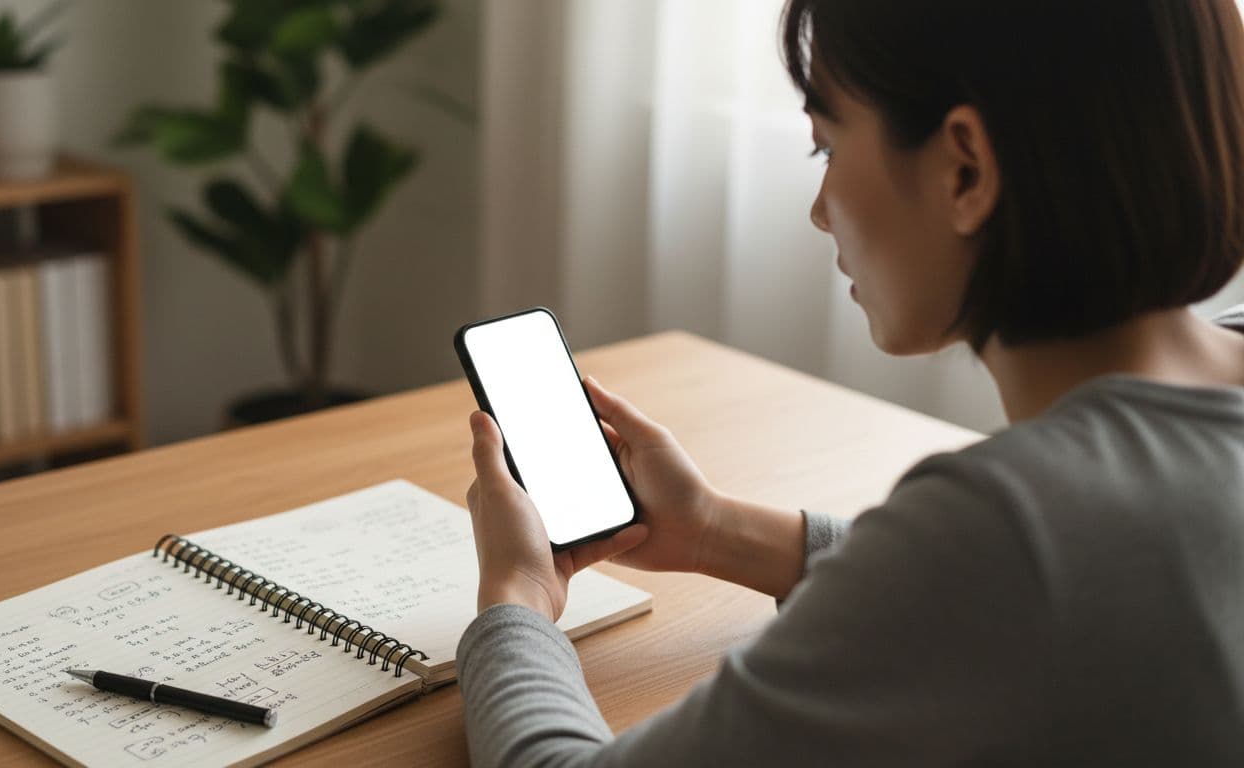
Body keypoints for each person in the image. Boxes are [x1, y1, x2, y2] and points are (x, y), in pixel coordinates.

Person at [459, 0, 1244, 764]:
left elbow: (991, 570)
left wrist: (517, 595)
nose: (818, 211)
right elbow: (981, 605)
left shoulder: (1013, 530)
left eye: (826, 148)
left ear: (965, 170)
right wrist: (713, 531)